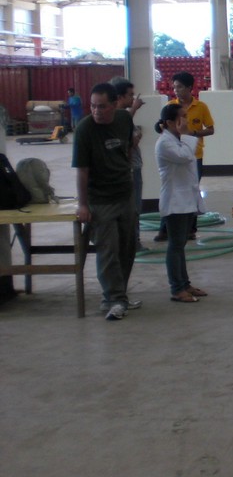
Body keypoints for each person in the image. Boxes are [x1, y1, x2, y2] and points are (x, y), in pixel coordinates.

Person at [72, 82, 139, 321]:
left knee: (128, 248)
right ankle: (115, 298)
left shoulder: (124, 119)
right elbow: (82, 170)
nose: (96, 111)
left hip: (125, 195)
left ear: (114, 104)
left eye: (102, 106)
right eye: (93, 106)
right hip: (100, 200)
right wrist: (83, 204)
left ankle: (116, 295)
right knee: (108, 250)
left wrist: (124, 170)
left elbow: (128, 147)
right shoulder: (84, 130)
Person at [155, 103, 208, 303]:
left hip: (185, 199)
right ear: (170, 122)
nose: (187, 120)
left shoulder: (177, 140)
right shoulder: (165, 143)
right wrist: (187, 135)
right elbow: (185, 156)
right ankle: (177, 288)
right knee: (175, 245)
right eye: (183, 116)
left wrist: (185, 136)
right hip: (175, 201)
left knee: (181, 244)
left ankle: (185, 284)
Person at [154, 71, 214, 242]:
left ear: (189, 88)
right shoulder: (171, 107)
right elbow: (161, 126)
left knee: (192, 190)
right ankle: (165, 229)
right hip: (175, 153)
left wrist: (191, 134)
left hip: (195, 153)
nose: (176, 90)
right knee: (173, 191)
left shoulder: (201, 107)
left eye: (179, 87)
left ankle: (190, 228)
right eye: (174, 87)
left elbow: (210, 129)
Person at [112, 78, 145, 251]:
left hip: (130, 167)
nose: (133, 98)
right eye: (130, 95)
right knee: (133, 207)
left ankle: (130, 241)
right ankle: (133, 242)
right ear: (120, 97)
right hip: (130, 168)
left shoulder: (121, 116)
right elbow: (126, 143)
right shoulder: (119, 117)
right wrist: (136, 139)